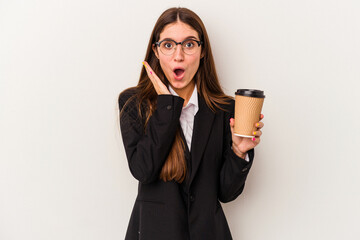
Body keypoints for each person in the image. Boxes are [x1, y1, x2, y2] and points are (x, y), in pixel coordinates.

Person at [118, 7, 264, 240]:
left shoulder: (225, 109)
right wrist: (167, 106)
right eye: (168, 45)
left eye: (188, 44)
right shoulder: (134, 103)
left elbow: (226, 193)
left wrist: (239, 151)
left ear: (202, 50)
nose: (179, 56)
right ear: (155, 51)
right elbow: (143, 170)